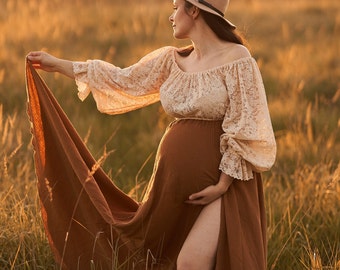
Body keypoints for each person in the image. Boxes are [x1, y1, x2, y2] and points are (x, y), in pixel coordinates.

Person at [27, 0, 276, 269]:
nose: (171, 16)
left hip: (225, 186)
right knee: (160, 257)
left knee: (191, 262)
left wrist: (223, 184)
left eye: (175, 7)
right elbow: (122, 80)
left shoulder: (236, 59)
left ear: (194, 10)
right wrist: (57, 65)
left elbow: (246, 124)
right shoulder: (171, 60)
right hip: (172, 188)